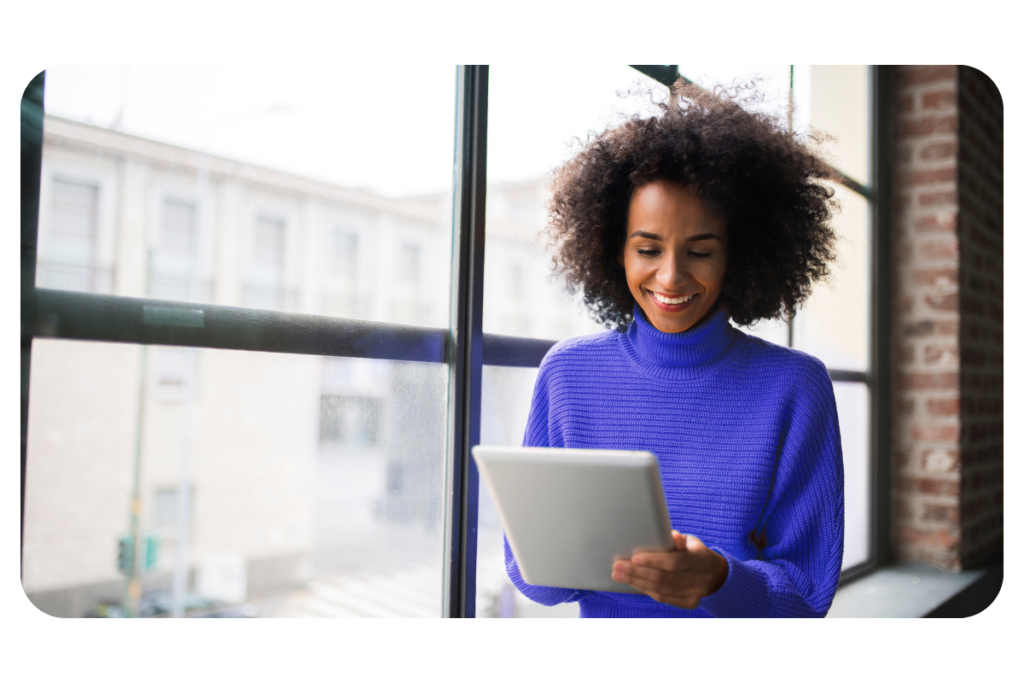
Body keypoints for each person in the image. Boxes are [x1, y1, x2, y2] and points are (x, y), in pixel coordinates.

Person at [505, 79, 845, 618]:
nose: (670, 276)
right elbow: (540, 586)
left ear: (740, 253)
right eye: (647, 248)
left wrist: (718, 580)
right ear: (614, 248)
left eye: (701, 251)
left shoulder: (795, 388)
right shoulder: (568, 373)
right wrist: (546, 554)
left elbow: (804, 599)